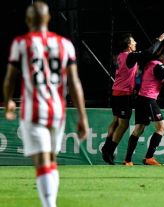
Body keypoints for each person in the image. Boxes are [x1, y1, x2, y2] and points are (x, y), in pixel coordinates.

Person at [3, 2, 89, 207]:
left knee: (43, 161)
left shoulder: (21, 43)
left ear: (28, 20)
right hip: (58, 112)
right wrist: (82, 116)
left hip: (33, 111)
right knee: (50, 160)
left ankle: (49, 205)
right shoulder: (65, 44)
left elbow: (10, 79)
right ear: (48, 19)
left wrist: (7, 101)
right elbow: (74, 82)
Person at [101, 32, 164, 165]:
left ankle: (107, 147)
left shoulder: (120, 56)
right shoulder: (129, 55)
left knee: (116, 121)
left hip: (116, 92)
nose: (135, 43)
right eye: (133, 42)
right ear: (128, 45)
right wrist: (159, 40)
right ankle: (109, 150)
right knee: (123, 125)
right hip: (124, 94)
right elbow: (148, 52)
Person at [123, 48, 164, 166]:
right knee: (162, 128)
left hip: (141, 98)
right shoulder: (158, 65)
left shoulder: (150, 63)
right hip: (148, 99)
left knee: (139, 129)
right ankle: (149, 157)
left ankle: (127, 160)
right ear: (163, 57)